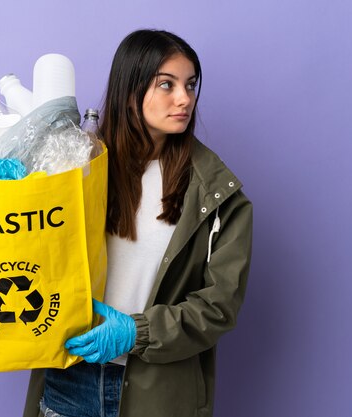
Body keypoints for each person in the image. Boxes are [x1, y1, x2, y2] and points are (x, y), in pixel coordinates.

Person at [23, 29, 253, 417]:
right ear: (131, 90)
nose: (185, 99)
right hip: (68, 377)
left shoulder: (216, 193)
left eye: (191, 85)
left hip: (157, 392)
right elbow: (16, 241)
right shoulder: (75, 166)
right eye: (167, 84)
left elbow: (219, 306)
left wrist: (137, 332)